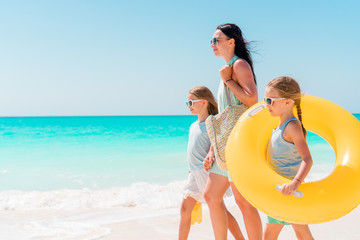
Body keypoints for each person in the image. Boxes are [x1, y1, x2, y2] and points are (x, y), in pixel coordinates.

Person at [203, 23, 262, 240]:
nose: (212, 45)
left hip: (238, 144)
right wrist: (212, 149)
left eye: (215, 40)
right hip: (224, 144)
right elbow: (224, 117)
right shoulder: (228, 67)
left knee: (243, 202)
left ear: (231, 42)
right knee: (210, 195)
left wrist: (227, 80)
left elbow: (252, 99)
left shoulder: (239, 65)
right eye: (211, 41)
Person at [179, 86, 245, 240]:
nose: (189, 106)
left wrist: (211, 156)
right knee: (184, 209)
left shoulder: (212, 123)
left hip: (206, 172)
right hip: (193, 173)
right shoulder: (193, 125)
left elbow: (218, 143)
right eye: (187, 103)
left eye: (191, 102)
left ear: (204, 102)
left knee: (219, 210)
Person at [263, 76, 314, 240]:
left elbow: (307, 159)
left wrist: (295, 183)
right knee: (271, 234)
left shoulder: (292, 126)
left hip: (290, 190)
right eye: (265, 100)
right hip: (278, 190)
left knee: (301, 233)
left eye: (270, 100)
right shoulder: (277, 127)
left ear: (287, 102)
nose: (266, 105)